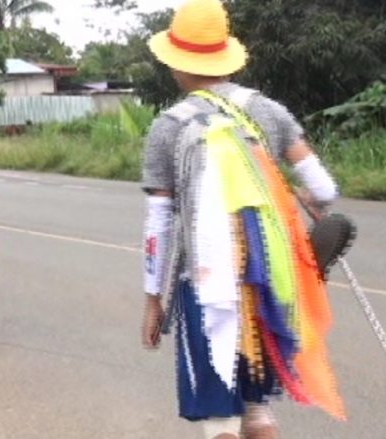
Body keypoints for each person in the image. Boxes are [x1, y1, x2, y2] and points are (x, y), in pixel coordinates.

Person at [139, 1, 345, 438]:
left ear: (176, 62)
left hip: (206, 281)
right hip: (268, 280)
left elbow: (158, 223)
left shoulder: (169, 125)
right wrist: (304, 196)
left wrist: (153, 299)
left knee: (219, 420)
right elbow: (325, 188)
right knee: (258, 412)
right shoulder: (266, 110)